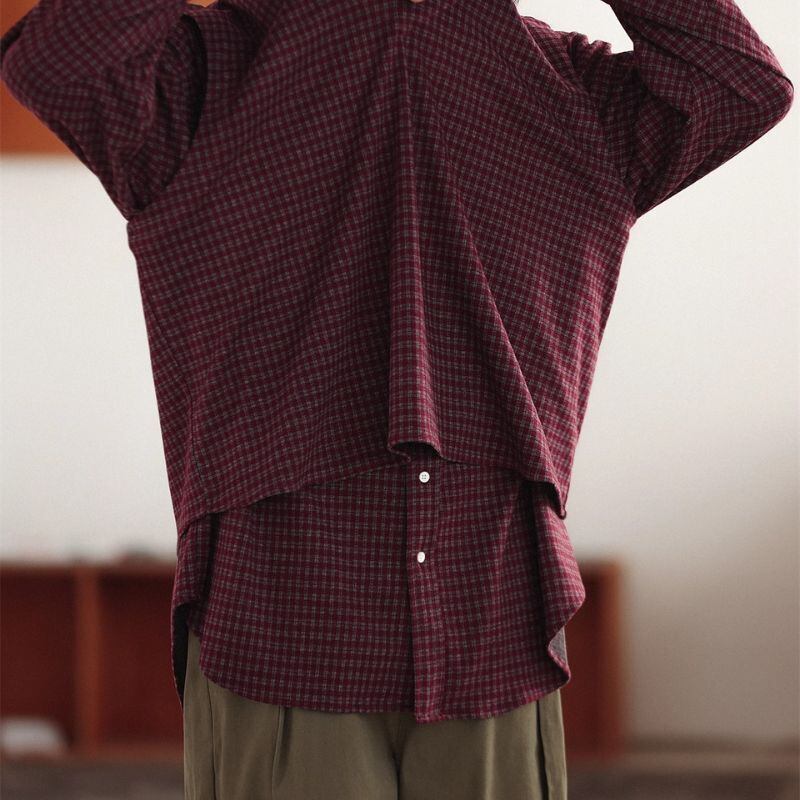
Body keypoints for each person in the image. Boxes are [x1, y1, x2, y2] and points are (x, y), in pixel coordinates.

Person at [0, 0, 793, 797]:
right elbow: (55, 64)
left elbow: (742, 86)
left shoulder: (573, 94)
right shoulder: (200, 75)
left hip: (489, 618)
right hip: (282, 621)